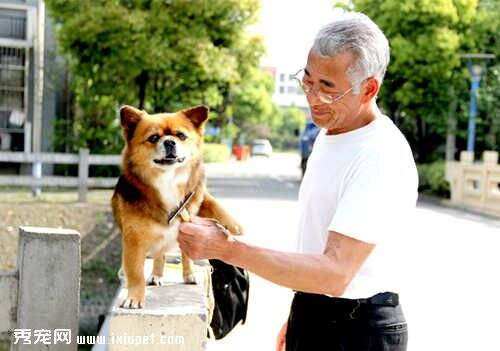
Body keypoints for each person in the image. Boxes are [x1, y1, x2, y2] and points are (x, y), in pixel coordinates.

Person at [178, 11, 418, 351]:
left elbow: (336, 273)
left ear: (369, 88)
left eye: (327, 88)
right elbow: (316, 248)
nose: (313, 97)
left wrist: (226, 248)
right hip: (317, 311)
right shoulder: (330, 132)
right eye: (308, 81)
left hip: (359, 330)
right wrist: (302, 313)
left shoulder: (381, 154)